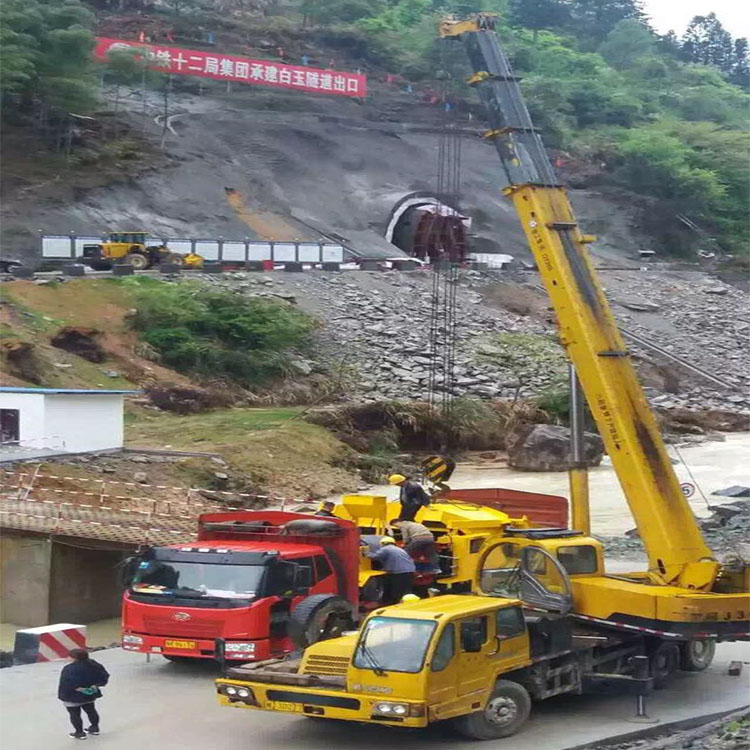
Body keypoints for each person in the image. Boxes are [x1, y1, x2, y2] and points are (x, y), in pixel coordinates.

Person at [58, 648, 109, 740]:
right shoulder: (93, 664)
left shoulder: (68, 669)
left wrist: (77, 689)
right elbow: (104, 675)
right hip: (90, 693)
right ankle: (94, 727)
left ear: (74, 658)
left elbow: (67, 683)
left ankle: (79, 732)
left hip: (72, 695)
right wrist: (96, 685)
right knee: (91, 710)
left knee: (75, 714)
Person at [365, 536, 415, 605]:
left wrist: (366, 553)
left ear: (383, 543)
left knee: (396, 590)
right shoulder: (399, 549)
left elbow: (375, 557)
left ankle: (393, 604)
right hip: (409, 570)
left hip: (398, 572)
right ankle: (407, 603)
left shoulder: (386, 549)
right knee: (405, 590)